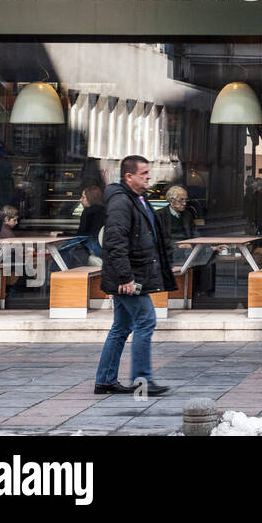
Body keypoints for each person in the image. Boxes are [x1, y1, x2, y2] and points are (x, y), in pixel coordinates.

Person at [94, 155, 175, 397]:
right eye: (144, 173)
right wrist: (126, 278)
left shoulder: (137, 198)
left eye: (149, 172)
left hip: (134, 274)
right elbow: (115, 242)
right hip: (130, 278)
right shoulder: (121, 202)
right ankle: (143, 381)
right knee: (146, 320)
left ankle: (105, 380)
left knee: (122, 325)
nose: (149, 176)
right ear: (129, 176)